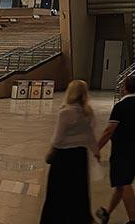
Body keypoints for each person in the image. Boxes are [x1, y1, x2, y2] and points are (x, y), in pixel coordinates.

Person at [40, 80, 99, 224]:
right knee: (78, 191)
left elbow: (58, 138)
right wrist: (95, 150)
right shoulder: (88, 112)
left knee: (57, 192)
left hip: (63, 157)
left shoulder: (65, 112)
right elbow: (89, 134)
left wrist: (50, 151)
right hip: (80, 156)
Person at [96, 76, 135, 224]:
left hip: (121, 150)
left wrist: (96, 148)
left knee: (124, 183)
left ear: (124, 88)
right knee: (121, 184)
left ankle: (133, 220)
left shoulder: (120, 107)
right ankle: (107, 212)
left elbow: (109, 131)